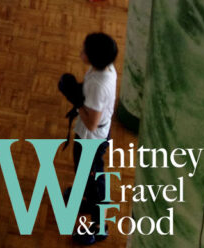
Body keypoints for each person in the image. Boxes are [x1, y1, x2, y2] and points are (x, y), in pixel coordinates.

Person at [58, 32, 119, 245]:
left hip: (91, 139)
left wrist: (75, 100)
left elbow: (92, 123)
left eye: (84, 49)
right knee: (88, 176)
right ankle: (85, 199)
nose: (80, 51)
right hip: (95, 135)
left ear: (93, 57)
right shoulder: (106, 70)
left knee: (93, 180)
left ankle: (99, 226)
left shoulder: (97, 85)